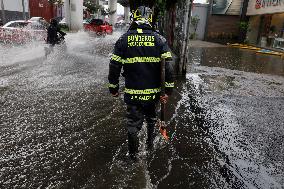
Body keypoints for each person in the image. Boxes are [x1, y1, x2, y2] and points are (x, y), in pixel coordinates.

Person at [108, 6, 174, 160]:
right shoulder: (160, 40)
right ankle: (150, 146)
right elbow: (168, 68)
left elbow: (114, 66)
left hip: (133, 94)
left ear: (134, 18)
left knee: (132, 125)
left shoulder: (123, 40)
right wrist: (167, 92)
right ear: (150, 20)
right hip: (153, 94)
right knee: (151, 119)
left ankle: (133, 157)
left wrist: (113, 88)